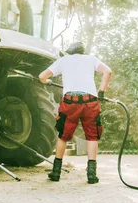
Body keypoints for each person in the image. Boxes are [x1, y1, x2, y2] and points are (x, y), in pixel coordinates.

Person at [39, 42, 112, 184]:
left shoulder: (63, 60)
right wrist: (101, 91)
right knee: (92, 136)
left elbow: (41, 76)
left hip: (70, 102)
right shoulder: (91, 59)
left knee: (63, 135)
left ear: (70, 51)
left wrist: (47, 81)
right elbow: (108, 71)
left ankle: (56, 172)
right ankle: (91, 174)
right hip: (90, 101)